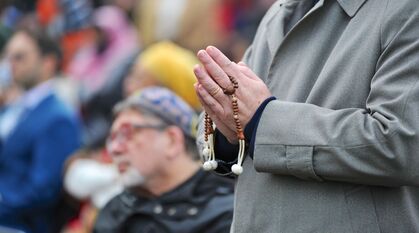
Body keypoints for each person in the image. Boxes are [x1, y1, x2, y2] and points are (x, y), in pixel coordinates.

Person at [194, 0, 419, 232]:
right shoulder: (280, 11)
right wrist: (225, 128)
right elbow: (237, 111)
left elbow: (402, 142)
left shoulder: (406, 9)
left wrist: (263, 122)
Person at [94, 86, 234, 233]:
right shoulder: (116, 209)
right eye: (112, 138)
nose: (114, 149)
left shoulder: (223, 214)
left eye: (126, 134)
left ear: (172, 140)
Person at [0, 28, 81, 233]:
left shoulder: (58, 117)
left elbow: (42, 191)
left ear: (48, 62)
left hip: (19, 223)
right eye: (8, 57)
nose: (11, 64)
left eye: (20, 57)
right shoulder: (17, 106)